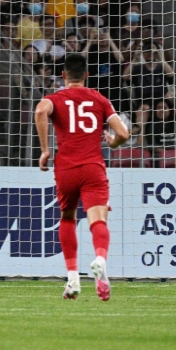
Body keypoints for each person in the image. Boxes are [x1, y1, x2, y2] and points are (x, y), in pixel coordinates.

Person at [34, 53, 131, 301]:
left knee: (67, 218)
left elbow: (40, 111)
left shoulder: (54, 98)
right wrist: (114, 143)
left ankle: (73, 279)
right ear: (87, 75)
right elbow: (124, 133)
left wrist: (45, 150)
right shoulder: (98, 98)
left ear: (63, 75)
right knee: (98, 220)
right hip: (92, 168)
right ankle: (99, 258)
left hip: (65, 169)